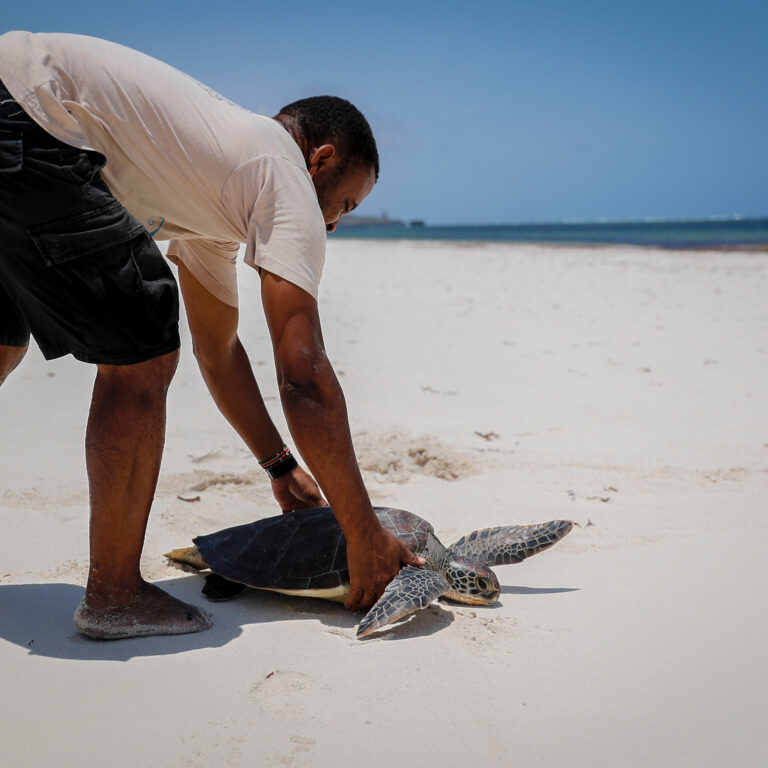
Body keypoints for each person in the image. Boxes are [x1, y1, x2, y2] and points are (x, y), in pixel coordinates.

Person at [0, 31, 422, 640]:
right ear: (321, 160)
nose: (334, 222)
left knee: (2, 341)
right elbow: (303, 373)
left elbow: (219, 353)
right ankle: (114, 594)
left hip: (14, 112)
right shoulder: (283, 175)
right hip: (31, 118)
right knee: (142, 345)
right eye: (346, 204)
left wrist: (279, 467)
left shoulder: (215, 189)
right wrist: (363, 532)